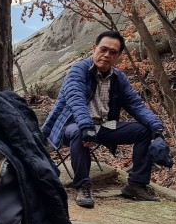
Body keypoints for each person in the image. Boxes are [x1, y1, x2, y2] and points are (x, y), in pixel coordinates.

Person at [41, 30, 165, 209]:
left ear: (119, 56)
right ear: (94, 48)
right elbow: (75, 98)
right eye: (103, 49)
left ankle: (136, 185)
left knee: (144, 131)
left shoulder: (118, 78)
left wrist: (157, 128)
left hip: (104, 126)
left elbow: (135, 104)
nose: (107, 55)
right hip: (73, 126)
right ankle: (83, 186)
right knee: (79, 131)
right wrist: (86, 125)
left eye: (113, 52)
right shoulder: (78, 70)